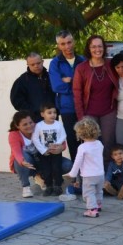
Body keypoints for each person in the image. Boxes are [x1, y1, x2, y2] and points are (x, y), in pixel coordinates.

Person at [73, 35, 118, 161]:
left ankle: (107, 176)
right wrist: (81, 117)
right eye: (93, 46)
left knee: (108, 143)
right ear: (89, 48)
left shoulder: (111, 64)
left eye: (100, 46)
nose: (97, 49)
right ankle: (91, 175)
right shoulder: (81, 68)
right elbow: (77, 93)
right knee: (91, 144)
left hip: (109, 111)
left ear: (104, 48)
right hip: (89, 113)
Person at [49, 30, 85, 159]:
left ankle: (88, 173)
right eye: (63, 44)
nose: (67, 46)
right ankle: (77, 174)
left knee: (88, 140)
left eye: (69, 42)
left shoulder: (83, 60)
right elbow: (56, 86)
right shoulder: (55, 63)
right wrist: (77, 84)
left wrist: (69, 80)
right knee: (72, 141)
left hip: (85, 106)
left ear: (73, 42)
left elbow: (87, 85)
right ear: (58, 46)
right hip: (67, 108)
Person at [63, 117, 104, 217]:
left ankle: (92, 210)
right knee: (98, 190)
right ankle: (98, 204)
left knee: (88, 193)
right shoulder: (99, 144)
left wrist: (72, 174)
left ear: (80, 134)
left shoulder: (82, 147)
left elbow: (77, 162)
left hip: (88, 176)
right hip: (100, 174)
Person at [32, 104, 67, 196]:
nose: (53, 115)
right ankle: (49, 186)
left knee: (56, 168)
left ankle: (58, 186)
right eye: (49, 113)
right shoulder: (39, 125)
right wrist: (43, 150)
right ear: (42, 114)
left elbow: (63, 136)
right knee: (46, 170)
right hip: (44, 153)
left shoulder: (59, 124)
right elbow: (35, 138)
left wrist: (56, 145)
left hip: (56, 152)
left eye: (54, 112)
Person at [11, 52, 55, 123]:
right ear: (28, 64)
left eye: (38, 63)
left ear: (42, 62)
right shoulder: (22, 81)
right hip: (33, 120)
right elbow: (16, 100)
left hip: (52, 119)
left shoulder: (51, 76)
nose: (36, 66)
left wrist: (56, 110)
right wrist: (31, 111)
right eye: (32, 64)